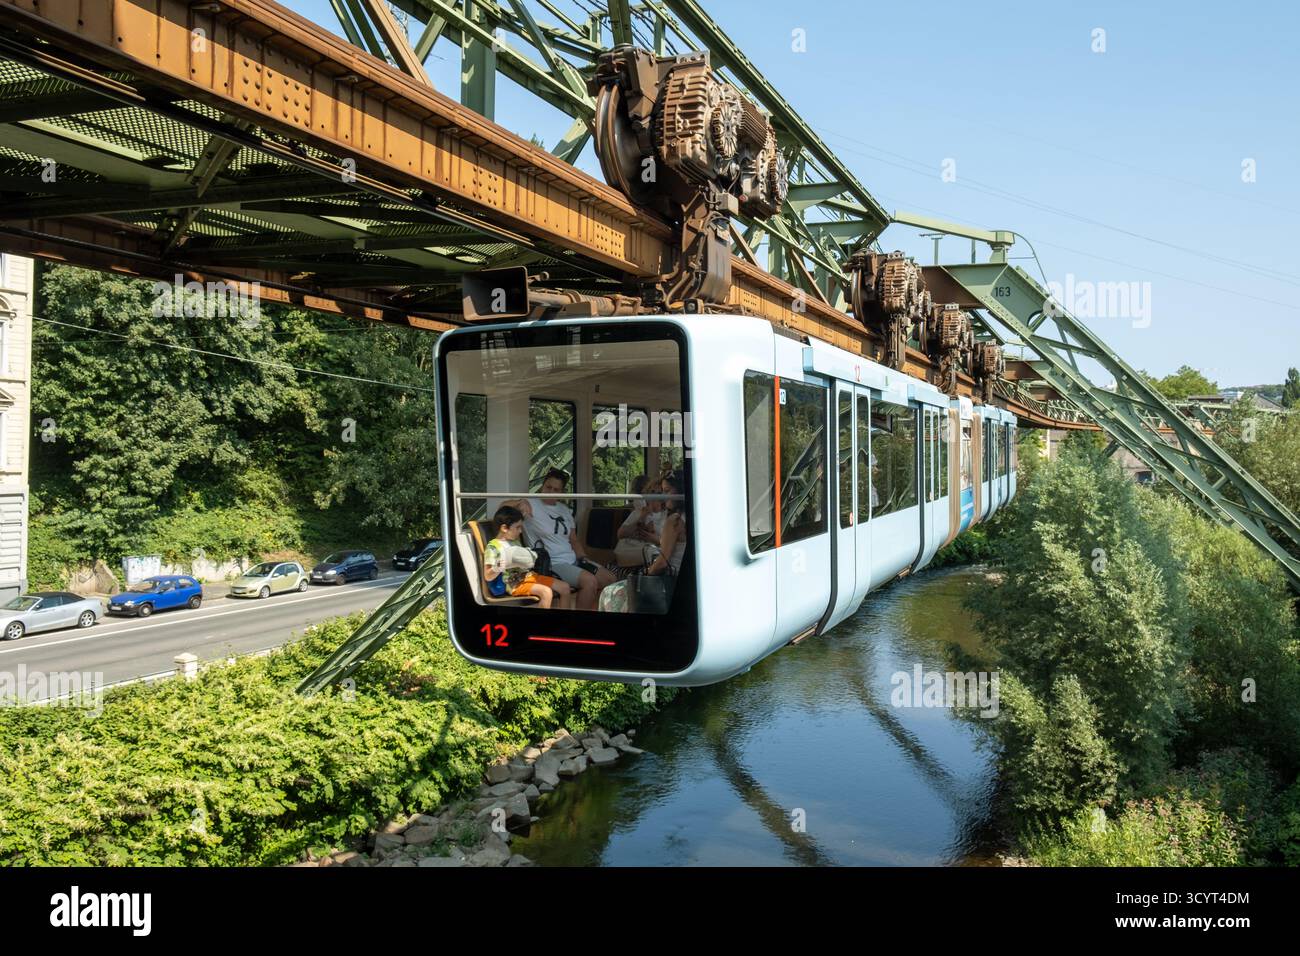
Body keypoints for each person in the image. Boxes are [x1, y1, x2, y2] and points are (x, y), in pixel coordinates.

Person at [503, 468, 615, 611]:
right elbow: (502, 507)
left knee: (609, 579)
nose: (551, 492)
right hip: (552, 563)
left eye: (556, 489)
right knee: (590, 582)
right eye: (548, 487)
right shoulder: (531, 503)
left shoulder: (564, 510)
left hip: (573, 560)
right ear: (542, 486)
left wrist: (584, 559)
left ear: (561, 492)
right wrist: (519, 502)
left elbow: (573, 540)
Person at [482, 505, 571, 609]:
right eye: (518, 527)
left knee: (565, 587)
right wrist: (496, 568)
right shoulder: (493, 547)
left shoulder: (514, 541)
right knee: (546, 592)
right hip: (514, 584)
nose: (520, 531)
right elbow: (488, 576)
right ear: (504, 528)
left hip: (529, 576)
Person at [614, 474, 662, 568]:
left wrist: (654, 538)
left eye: (659, 493)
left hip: (654, 549)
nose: (655, 495)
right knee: (651, 552)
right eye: (652, 492)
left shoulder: (668, 515)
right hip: (631, 549)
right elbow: (620, 534)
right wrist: (642, 517)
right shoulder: (638, 512)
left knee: (654, 553)